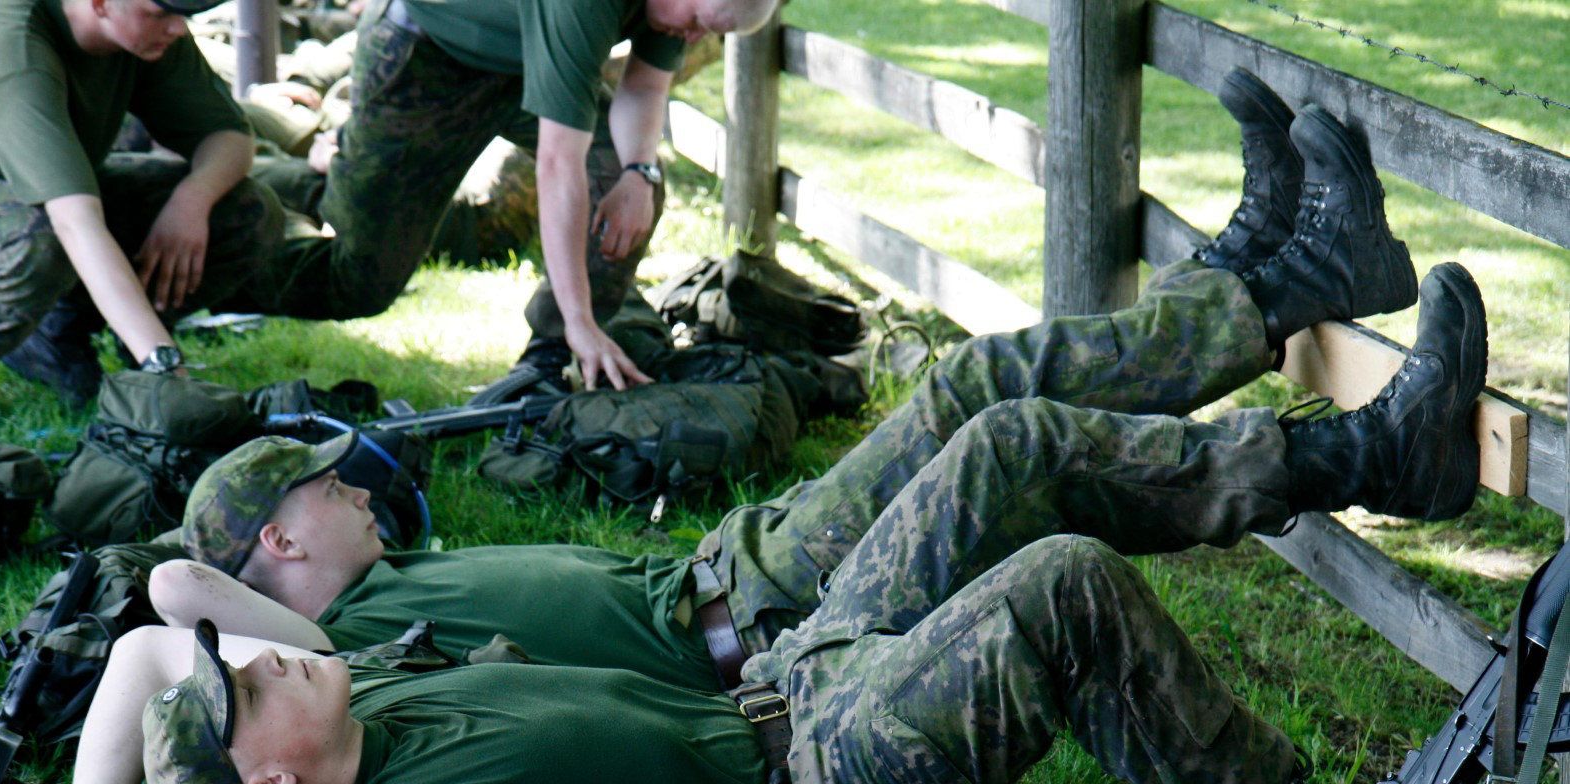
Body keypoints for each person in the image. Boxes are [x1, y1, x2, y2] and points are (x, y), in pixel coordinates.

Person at [0, 254, 1487, 784]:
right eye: (245, 686)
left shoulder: (360, 684)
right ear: (267, 776)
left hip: (797, 675)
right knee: (1058, 584)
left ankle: (1363, 445)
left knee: (992, 451)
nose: (257, 657)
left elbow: (169, 611)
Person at [153, 82, 1429, 693]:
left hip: (747, 561)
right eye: (329, 491)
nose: (361, 491)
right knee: (1005, 430)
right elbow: (172, 591)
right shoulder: (328, 657)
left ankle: (1271, 276)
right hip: (771, 620)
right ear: (273, 542)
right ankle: (1303, 328)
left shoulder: (374, 593)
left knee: (980, 385)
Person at [248, 0, 781, 392]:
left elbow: (642, 88)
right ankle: (262, 173)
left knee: (618, 178)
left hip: (526, 65)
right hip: (427, 55)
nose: (692, 38)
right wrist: (583, 318)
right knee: (359, 278)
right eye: (695, 23)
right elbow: (556, 163)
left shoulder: (676, 9)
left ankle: (549, 363)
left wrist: (640, 172)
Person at [0, 0, 282, 426]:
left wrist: (192, 200)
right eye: (161, 13)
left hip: (41, 197)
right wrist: (165, 366)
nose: (179, 28)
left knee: (246, 209)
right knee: (34, 234)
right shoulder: (14, 45)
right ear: (100, 4)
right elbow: (73, 222)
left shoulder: (145, 34)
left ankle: (55, 332)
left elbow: (229, 135)